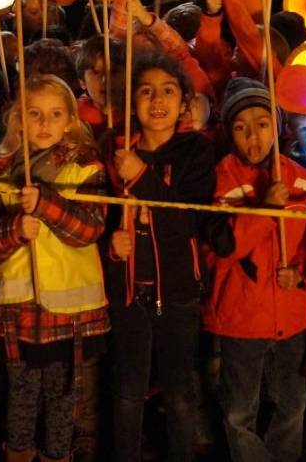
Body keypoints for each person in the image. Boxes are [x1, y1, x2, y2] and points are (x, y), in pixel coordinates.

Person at [0, 75, 110, 462]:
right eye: (34, 114)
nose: (44, 123)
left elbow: (91, 228)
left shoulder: (85, 167)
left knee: (63, 397)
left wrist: (46, 205)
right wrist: (16, 227)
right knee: (20, 396)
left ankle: (58, 456)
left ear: (70, 120)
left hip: (70, 311)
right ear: (19, 119)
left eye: (54, 114)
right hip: (19, 306)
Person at [104, 51, 216, 462]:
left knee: (180, 390)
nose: (157, 100)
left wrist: (140, 176)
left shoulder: (195, 153)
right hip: (129, 291)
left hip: (178, 291)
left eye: (168, 91)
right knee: (127, 391)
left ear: (184, 102)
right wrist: (111, 247)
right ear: (131, 100)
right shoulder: (114, 149)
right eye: (146, 91)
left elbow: (188, 220)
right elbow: (100, 216)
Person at [203, 78, 306, 462]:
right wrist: (266, 210)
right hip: (241, 316)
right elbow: (226, 246)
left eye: (262, 123)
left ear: (279, 125)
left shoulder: (304, 181)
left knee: (292, 404)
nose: (253, 135)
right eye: (241, 127)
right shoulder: (221, 180)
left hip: (291, 313)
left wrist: (301, 271)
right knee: (240, 411)